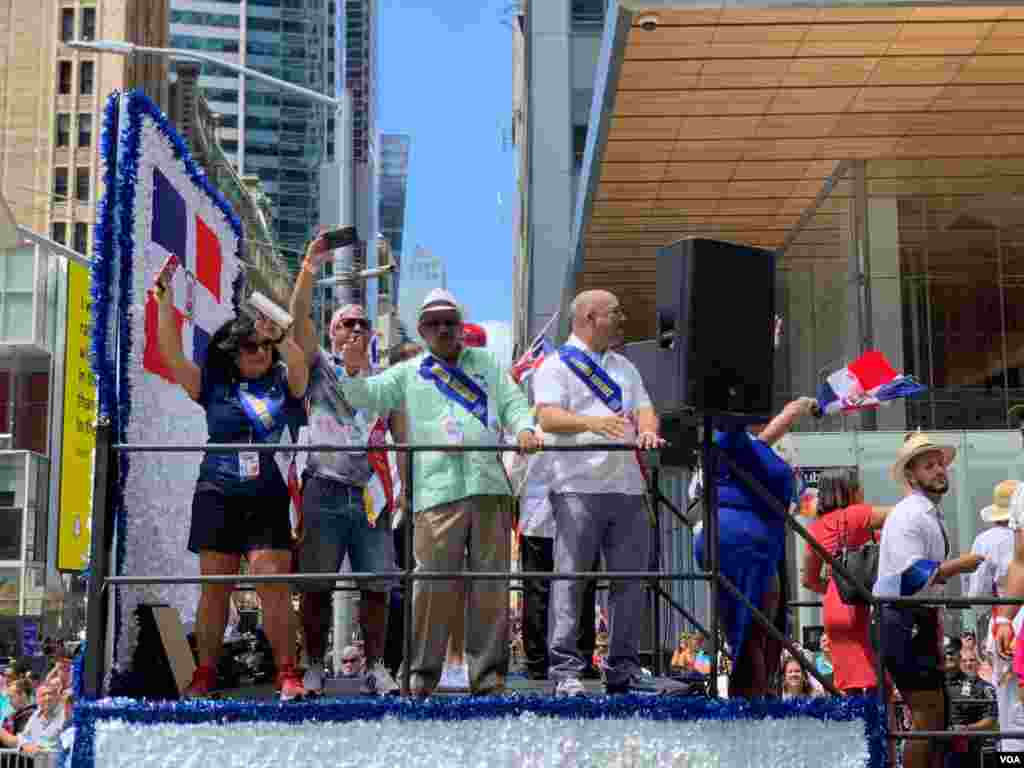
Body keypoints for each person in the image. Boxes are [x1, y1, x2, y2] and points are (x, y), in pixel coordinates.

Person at [335, 288, 540, 696]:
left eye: (451, 322)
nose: (444, 329)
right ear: (423, 330)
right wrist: (354, 371)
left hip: (488, 486)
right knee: (430, 589)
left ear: (461, 327)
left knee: (491, 587)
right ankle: (420, 680)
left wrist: (524, 429)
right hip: (435, 492)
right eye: (435, 323)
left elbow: (514, 402)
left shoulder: (485, 363)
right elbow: (365, 397)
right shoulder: (410, 372)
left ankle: (490, 681)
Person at [154, 270, 309, 700]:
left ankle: (287, 672)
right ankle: (204, 672)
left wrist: (279, 338)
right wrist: (164, 304)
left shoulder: (282, 382)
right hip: (217, 489)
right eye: (249, 345)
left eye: (263, 345)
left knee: (271, 580)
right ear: (232, 351)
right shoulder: (214, 385)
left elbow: (299, 365)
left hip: (266, 489)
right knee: (215, 585)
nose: (258, 351)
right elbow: (171, 356)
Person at [533, 289, 667, 697]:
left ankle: (623, 669)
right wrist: (594, 424)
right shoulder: (554, 366)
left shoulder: (624, 366)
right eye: (615, 313)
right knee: (571, 579)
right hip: (576, 486)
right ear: (590, 318)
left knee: (630, 581)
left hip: (627, 486)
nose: (622, 319)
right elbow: (548, 416)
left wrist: (647, 430)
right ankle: (565, 670)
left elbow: (645, 406)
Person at [288, 234, 399, 696]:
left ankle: (376, 666)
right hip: (323, 487)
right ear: (332, 333)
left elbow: (401, 434)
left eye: (361, 324)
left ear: (371, 334)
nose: (354, 330)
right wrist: (309, 268)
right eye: (345, 324)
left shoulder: (385, 379)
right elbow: (296, 325)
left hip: (370, 492)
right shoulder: (319, 367)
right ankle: (312, 665)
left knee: (377, 585)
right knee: (315, 585)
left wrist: (404, 490)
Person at [693, 397, 819, 698]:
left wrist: (792, 412)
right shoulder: (727, 436)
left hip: (757, 545)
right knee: (753, 633)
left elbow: (759, 441)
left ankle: (755, 707)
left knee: (759, 632)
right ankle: (753, 713)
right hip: (744, 548)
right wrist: (740, 394)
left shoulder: (746, 445)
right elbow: (735, 429)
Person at [874, 432, 985, 768]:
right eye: (929, 466)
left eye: (940, 464)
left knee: (933, 717)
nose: (939, 470)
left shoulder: (924, 513)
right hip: (902, 617)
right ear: (911, 475)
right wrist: (962, 564)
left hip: (910, 617)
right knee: (926, 716)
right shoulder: (911, 514)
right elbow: (912, 576)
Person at [801, 468, 892, 695]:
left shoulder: (816, 528)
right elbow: (904, 514)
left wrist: (835, 586)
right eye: (857, 486)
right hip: (865, 603)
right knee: (879, 687)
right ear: (848, 491)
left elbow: (809, 580)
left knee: (849, 685)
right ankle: (880, 730)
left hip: (836, 605)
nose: (861, 490)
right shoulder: (857, 515)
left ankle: (857, 730)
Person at [967, 480, 1023, 753]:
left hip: (1005, 614)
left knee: (1007, 693)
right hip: (1010, 612)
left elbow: (976, 592)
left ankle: (1012, 754)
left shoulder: (985, 541)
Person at [944, 647, 997, 767]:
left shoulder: (986, 688)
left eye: (972, 660)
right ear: (959, 662)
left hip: (972, 747)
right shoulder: (944, 685)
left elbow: (991, 720)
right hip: (943, 745)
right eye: (964, 661)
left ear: (978, 663)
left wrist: (966, 728)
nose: (968, 664)